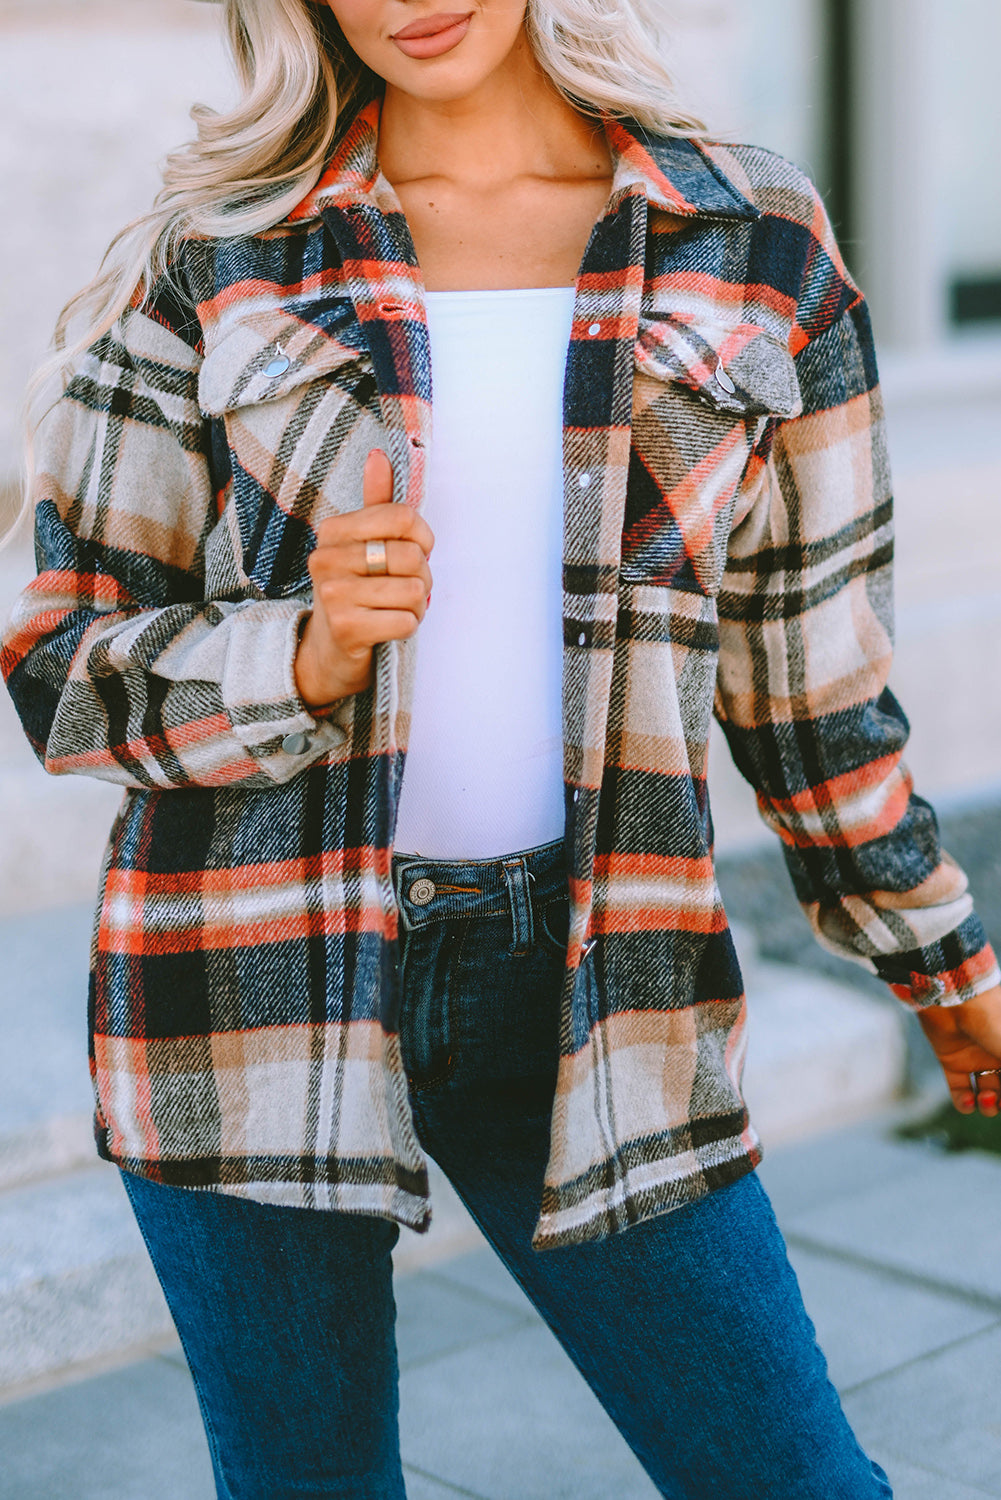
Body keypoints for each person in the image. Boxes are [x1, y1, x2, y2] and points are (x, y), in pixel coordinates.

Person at [3, 0, 1000, 1494]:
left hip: (599, 971)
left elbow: (812, 694)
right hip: (243, 975)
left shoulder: (756, 240)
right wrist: (303, 649)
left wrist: (944, 964)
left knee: (788, 1477)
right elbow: (62, 671)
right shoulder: (216, 250)